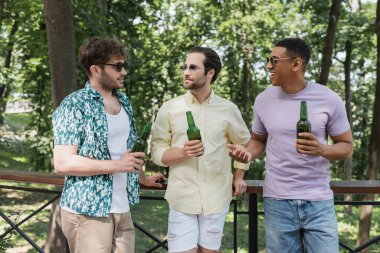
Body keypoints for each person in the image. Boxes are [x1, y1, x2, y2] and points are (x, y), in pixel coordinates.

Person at [228, 38, 353, 253]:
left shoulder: (329, 99)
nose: (268, 65)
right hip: (278, 201)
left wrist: (323, 149)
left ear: (296, 64)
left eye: (274, 60)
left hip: (318, 200)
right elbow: (259, 140)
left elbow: (347, 146)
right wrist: (247, 153)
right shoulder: (263, 100)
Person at [52, 37, 164, 253]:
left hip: (122, 207)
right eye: (117, 66)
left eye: (124, 65)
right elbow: (63, 162)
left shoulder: (124, 101)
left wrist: (143, 178)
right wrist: (117, 165)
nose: (124, 72)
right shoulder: (74, 104)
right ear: (95, 69)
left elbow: (126, 151)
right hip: (88, 211)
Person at [151, 46, 251, 253]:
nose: (186, 72)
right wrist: (182, 153)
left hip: (217, 197)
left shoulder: (228, 109)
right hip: (182, 198)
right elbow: (157, 152)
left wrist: (239, 175)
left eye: (193, 67)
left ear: (210, 73)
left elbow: (245, 145)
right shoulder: (170, 108)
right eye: (185, 66)